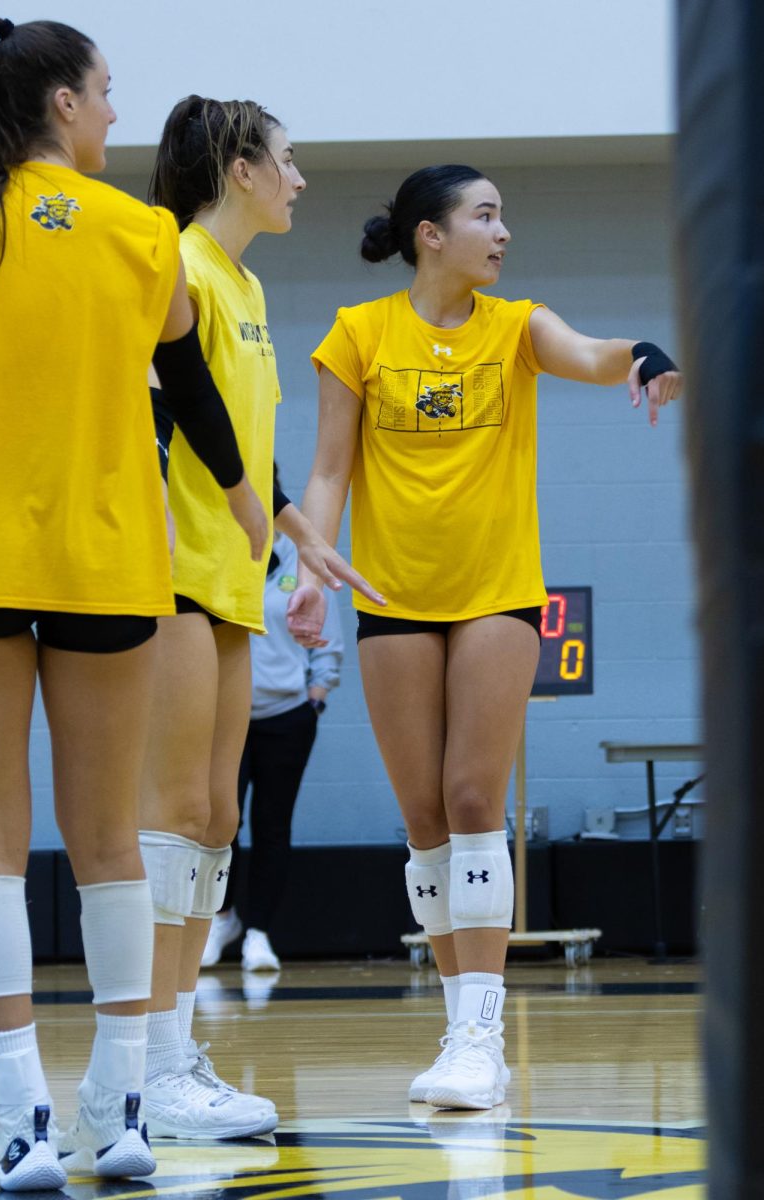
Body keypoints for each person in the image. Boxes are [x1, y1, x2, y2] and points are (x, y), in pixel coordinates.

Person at [293, 164, 682, 1111]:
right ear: (432, 234)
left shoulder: (518, 326)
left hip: (497, 595)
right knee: (423, 816)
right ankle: (455, 1015)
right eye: (485, 216)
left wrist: (644, 356)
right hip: (391, 598)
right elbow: (330, 475)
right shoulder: (358, 334)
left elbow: (591, 353)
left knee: (473, 794)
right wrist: (310, 570)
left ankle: (480, 1033)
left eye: (502, 216)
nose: (503, 233)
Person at [0, 17, 268, 1192]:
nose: (111, 114)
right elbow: (189, 385)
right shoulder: (145, 234)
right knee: (109, 850)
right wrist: (250, 499)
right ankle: (127, 1113)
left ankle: (17, 1125)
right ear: (60, 106)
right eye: (103, 95)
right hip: (109, 560)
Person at [138, 95, 383, 1141]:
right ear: (238, 168)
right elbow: (154, 419)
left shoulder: (242, 282)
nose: (297, 178)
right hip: (170, 575)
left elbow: (235, 438)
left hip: (235, 581)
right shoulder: (179, 265)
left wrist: (298, 532)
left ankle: (176, 1048)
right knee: (171, 818)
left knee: (215, 819)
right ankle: (143, 1061)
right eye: (286, 161)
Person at [203, 483, 344, 972]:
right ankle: (222, 919)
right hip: (226, 717)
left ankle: (259, 932)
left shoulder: (301, 561)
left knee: (272, 826)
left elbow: (328, 642)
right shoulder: (218, 551)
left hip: (287, 716)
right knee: (221, 823)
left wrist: (315, 700)